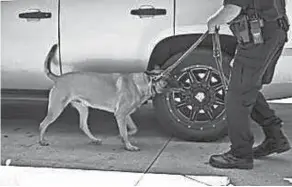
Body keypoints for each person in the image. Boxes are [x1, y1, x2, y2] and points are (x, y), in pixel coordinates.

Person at [207, 0, 291, 169]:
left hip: (259, 36)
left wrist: (213, 21)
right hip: (275, 30)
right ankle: (275, 138)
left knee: (236, 96)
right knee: (247, 87)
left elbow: (232, 9)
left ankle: (240, 154)